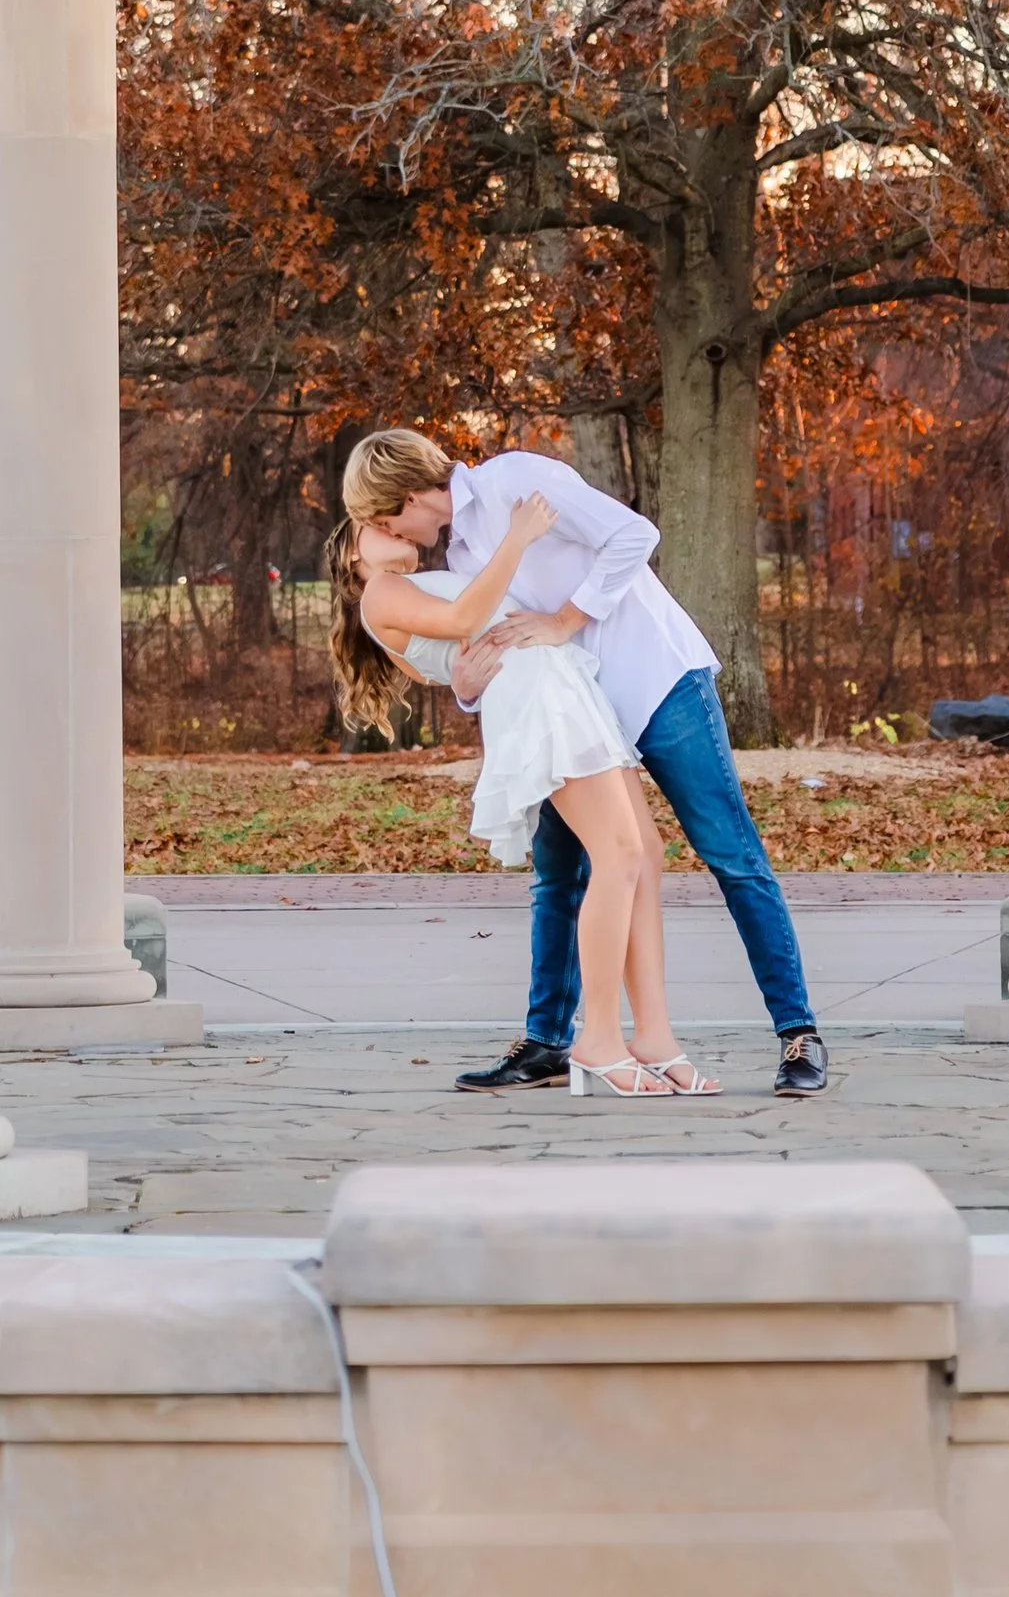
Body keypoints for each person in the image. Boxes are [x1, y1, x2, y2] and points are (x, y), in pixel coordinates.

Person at [354, 428, 829, 1098]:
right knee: (560, 874)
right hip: (573, 709)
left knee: (731, 855)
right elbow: (480, 644)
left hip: (655, 681)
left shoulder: (513, 480)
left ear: (407, 495)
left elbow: (634, 535)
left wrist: (567, 619)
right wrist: (465, 685)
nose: (381, 528)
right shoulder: (456, 552)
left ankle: (798, 1033)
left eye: (382, 514)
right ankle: (550, 1040)